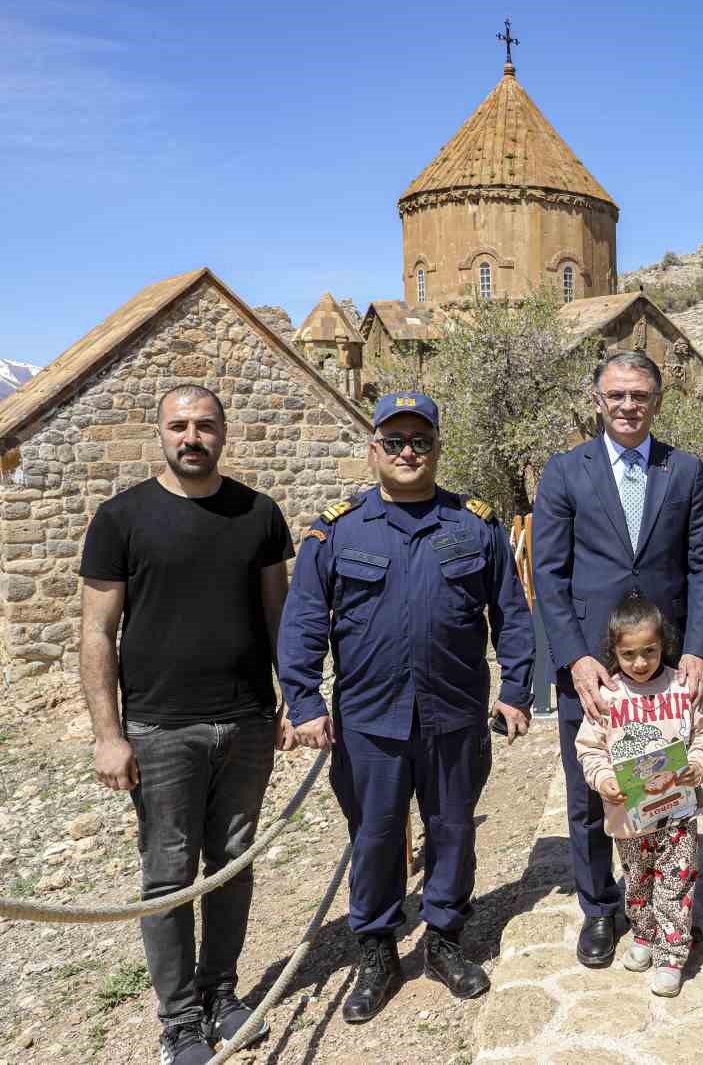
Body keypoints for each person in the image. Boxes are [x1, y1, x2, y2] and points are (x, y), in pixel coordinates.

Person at [277, 391, 536, 1024]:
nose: (408, 452)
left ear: (437, 447)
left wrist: (516, 691)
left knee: (452, 830)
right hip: (370, 720)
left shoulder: (473, 524)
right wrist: (304, 700)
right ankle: (377, 949)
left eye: (420, 440)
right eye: (394, 441)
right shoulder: (335, 531)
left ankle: (444, 939)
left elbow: (512, 615)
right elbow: (305, 620)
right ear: (374, 450)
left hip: (454, 714)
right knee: (374, 837)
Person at [79, 385, 296, 1065]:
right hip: (159, 729)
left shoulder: (258, 514)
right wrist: (109, 735)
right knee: (168, 877)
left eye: (204, 424)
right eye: (179, 426)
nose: (192, 436)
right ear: (162, 435)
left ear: (224, 432)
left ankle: (222, 995)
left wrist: (296, 701)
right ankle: (179, 1022)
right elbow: (95, 632)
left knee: (231, 867)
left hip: (247, 724)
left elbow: (278, 618)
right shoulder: (121, 519)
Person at [531, 352, 703, 968]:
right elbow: (550, 573)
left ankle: (663, 905)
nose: (628, 406)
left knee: (662, 783)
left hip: (664, 667)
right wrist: (574, 660)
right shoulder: (565, 472)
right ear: (597, 401)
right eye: (616, 395)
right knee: (593, 791)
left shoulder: (685, 470)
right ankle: (601, 909)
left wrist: (695, 649)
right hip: (594, 666)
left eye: (639, 395)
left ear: (657, 401)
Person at [575, 595, 703, 997]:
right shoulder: (607, 697)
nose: (640, 663)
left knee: (675, 881)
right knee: (637, 882)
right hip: (629, 817)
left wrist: (698, 765)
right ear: (614, 652)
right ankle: (644, 935)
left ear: (663, 645)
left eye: (649, 652)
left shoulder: (680, 687)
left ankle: (672, 954)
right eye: (629, 654)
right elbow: (589, 747)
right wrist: (603, 778)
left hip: (678, 811)